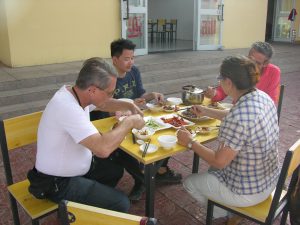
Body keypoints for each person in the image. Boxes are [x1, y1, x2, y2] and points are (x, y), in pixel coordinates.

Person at [27, 58, 145, 213]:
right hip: (57, 183)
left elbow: (103, 103)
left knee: (114, 171)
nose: (111, 96)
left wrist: (129, 105)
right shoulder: (67, 107)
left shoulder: (74, 93)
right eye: (110, 92)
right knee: (121, 203)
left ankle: (82, 210)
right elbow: (103, 149)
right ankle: (74, 212)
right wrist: (129, 122)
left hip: (77, 170)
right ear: (92, 90)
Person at [177, 56, 280, 225]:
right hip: (267, 181)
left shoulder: (239, 117)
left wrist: (190, 142)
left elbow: (219, 162)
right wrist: (207, 111)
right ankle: (227, 208)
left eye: (220, 78)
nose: (220, 82)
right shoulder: (261, 97)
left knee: (190, 182)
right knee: (211, 171)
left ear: (229, 82)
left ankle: (226, 213)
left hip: (247, 192)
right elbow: (235, 113)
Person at [90, 38, 182, 201]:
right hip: (113, 123)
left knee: (168, 131)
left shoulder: (134, 72)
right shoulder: (107, 79)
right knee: (123, 150)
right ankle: (143, 180)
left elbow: (139, 98)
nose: (131, 62)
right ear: (115, 59)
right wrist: (127, 108)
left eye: (132, 58)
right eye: (126, 59)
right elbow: (106, 108)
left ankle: (159, 171)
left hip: (134, 116)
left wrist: (150, 96)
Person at [205, 42, 281, 104]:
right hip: (238, 109)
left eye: (257, 63)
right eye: (250, 59)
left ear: (266, 63)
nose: (252, 64)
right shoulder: (242, 65)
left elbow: (271, 101)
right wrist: (214, 93)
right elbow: (222, 91)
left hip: (255, 112)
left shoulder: (274, 72)